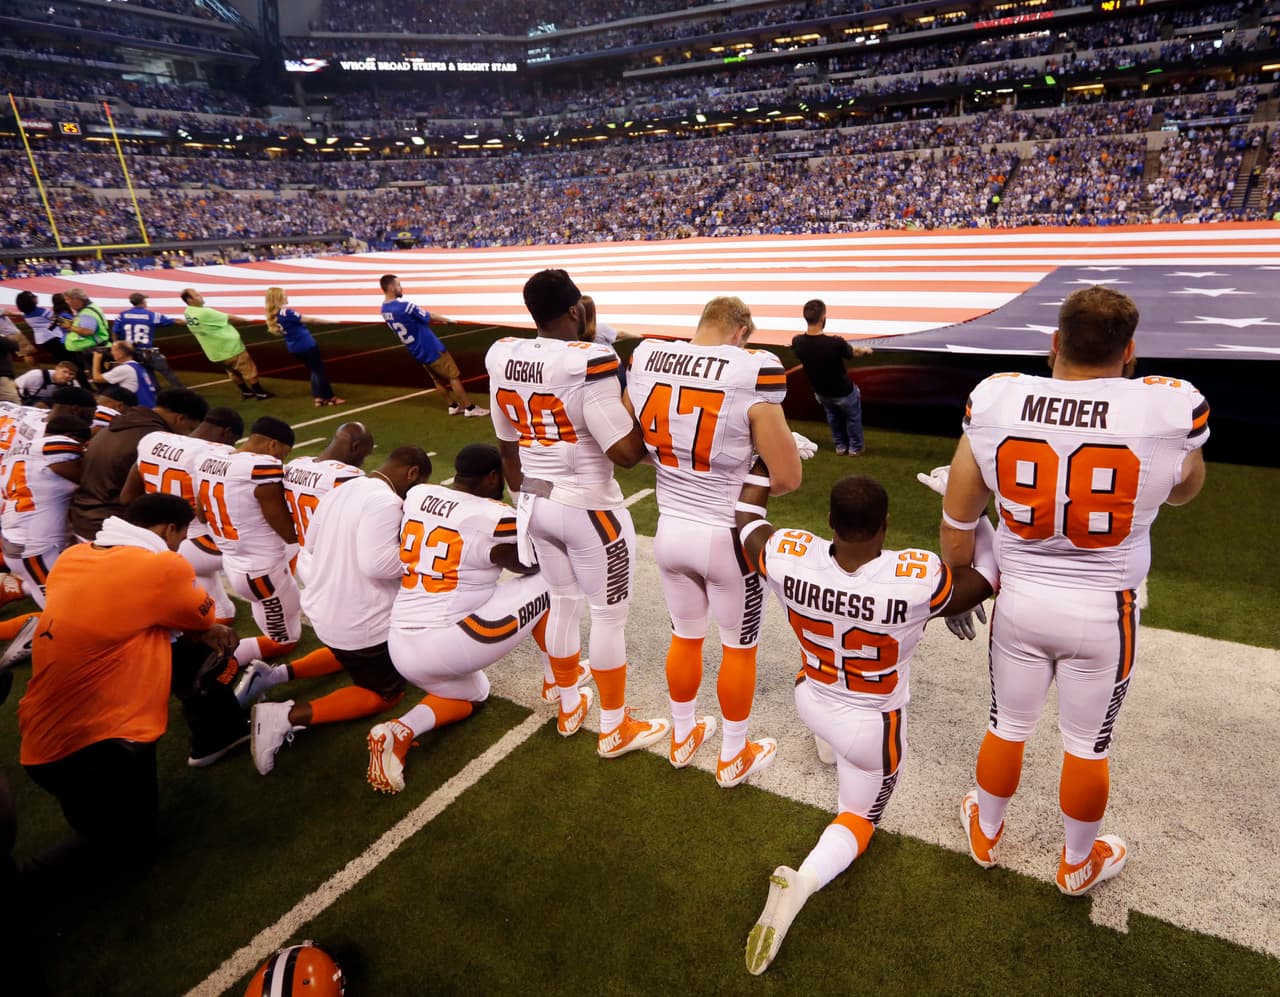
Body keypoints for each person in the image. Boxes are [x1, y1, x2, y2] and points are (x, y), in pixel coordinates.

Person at [939, 286, 1208, 896]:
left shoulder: (999, 397)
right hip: (1105, 612)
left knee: (1007, 725)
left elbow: (959, 518)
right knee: (1088, 745)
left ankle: (987, 830)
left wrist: (960, 582)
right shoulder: (1169, 407)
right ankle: (1078, 863)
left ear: (1055, 342)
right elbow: (1183, 490)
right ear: (1129, 352)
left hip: (1020, 602)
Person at [735, 474, 994, 974]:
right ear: (886, 524)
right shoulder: (916, 577)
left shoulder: (789, 554)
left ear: (829, 520)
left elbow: (746, 521)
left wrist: (763, 466)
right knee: (858, 817)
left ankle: (827, 745)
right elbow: (988, 574)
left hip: (811, 697)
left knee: (818, 674)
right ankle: (803, 883)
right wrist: (973, 514)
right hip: (870, 726)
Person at [16, 494, 241, 892]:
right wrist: (201, 629)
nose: (179, 546)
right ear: (169, 530)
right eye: (180, 537)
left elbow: (129, 610)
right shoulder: (161, 565)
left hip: (41, 735)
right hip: (92, 745)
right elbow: (201, 615)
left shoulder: (73, 556)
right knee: (126, 846)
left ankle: (214, 737)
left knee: (180, 644)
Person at [486, 268, 668, 758]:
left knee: (563, 602)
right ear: (573, 309)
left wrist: (526, 500)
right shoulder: (589, 360)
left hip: (535, 501)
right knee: (608, 617)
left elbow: (506, 446)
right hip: (588, 507)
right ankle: (614, 725)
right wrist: (644, 404)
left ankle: (568, 703)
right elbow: (625, 453)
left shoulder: (503, 354)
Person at [626, 296, 802, 787]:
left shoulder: (648, 357)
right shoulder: (752, 370)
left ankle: (682, 736)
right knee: (738, 649)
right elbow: (787, 478)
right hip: (726, 536)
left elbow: (633, 439)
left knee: (685, 636)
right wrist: (765, 458)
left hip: (669, 529)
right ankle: (732, 754)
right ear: (740, 331)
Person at [367, 444, 556, 794]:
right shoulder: (492, 514)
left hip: (401, 643)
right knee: (554, 579)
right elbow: (534, 560)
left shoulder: (419, 495)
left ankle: (399, 731)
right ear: (493, 477)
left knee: (475, 692)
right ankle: (557, 679)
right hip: (448, 641)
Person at [247, 446, 433, 776]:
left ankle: (274, 676)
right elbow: (377, 565)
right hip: (360, 621)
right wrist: (419, 555)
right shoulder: (386, 501)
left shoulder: (341, 489)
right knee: (384, 693)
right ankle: (285, 716)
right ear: (412, 473)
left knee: (346, 652)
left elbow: (309, 545)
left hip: (325, 608)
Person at [119, 406, 245, 627]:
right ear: (227, 433)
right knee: (276, 544)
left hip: (162, 538)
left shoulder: (153, 440)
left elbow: (127, 497)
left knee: (219, 607)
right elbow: (212, 512)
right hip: (199, 542)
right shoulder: (217, 453)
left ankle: (217, 614)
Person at [189, 416, 302, 662]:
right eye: (283, 454)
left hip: (234, 561)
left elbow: (201, 514)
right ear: (273, 445)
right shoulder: (261, 467)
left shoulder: (208, 458)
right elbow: (287, 532)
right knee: (284, 641)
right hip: (263, 571)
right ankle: (208, 663)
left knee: (271, 609)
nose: (281, 460)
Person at [69, 387, 209, 542]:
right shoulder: (152, 439)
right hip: (111, 526)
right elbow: (128, 497)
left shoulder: (121, 424)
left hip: (84, 518)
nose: (187, 435)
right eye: (190, 429)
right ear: (180, 418)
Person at [0, 413, 88, 607]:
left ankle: (15, 587)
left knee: (77, 587)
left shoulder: (14, 452)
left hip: (21, 538)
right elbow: (89, 477)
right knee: (60, 609)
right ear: (71, 436)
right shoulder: (56, 447)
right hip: (36, 548)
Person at [379, 274, 486, 417]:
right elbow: (429, 316)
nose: (401, 287)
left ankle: (452, 405)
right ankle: (470, 408)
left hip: (416, 350)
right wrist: (449, 320)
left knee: (437, 379)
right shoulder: (404, 306)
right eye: (398, 285)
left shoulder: (384, 310)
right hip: (431, 347)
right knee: (453, 376)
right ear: (392, 287)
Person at [790, 299, 873, 456]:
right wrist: (866, 351)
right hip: (843, 390)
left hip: (822, 392)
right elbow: (852, 353)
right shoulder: (835, 343)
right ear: (823, 318)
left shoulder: (798, 342)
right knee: (852, 418)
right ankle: (855, 447)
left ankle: (840, 446)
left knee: (833, 417)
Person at [282, 422, 374, 549]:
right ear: (355, 447)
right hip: (324, 553)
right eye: (364, 455)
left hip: (297, 551)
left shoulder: (295, 465)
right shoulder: (345, 476)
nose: (362, 462)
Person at [180, 288, 273, 400]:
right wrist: (248, 320)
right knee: (248, 370)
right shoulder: (205, 312)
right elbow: (229, 317)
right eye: (197, 295)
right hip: (230, 349)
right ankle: (260, 393)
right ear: (189, 300)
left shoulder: (188, 312)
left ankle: (246, 392)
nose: (201, 297)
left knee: (232, 372)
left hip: (215, 353)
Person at [264, 287, 344, 407]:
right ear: (279, 298)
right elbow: (310, 319)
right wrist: (332, 321)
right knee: (319, 371)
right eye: (284, 295)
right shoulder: (287, 313)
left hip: (294, 348)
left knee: (314, 370)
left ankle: (318, 397)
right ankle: (330, 398)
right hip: (306, 345)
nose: (286, 296)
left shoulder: (274, 315)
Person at [111, 291, 185, 388]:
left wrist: (116, 347)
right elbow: (173, 321)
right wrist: (189, 322)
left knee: (148, 377)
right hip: (148, 352)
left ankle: (156, 392)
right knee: (168, 374)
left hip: (132, 354)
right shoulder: (152, 315)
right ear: (143, 301)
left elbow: (115, 332)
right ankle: (183, 392)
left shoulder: (122, 316)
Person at [62, 288, 111, 388]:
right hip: (97, 347)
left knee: (97, 377)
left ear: (77, 299)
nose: (66, 302)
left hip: (93, 350)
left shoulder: (87, 313)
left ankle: (103, 394)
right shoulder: (91, 307)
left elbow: (88, 331)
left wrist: (69, 327)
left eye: (68, 299)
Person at [7, 291, 69, 366]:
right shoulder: (41, 311)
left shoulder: (26, 315)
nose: (36, 296)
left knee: (60, 358)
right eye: (33, 296)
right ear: (30, 301)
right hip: (53, 337)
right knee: (68, 357)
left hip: (42, 340)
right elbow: (59, 320)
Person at [91, 341, 159, 408]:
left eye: (113, 350)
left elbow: (97, 378)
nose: (111, 353)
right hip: (150, 406)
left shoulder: (124, 369)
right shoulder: (137, 366)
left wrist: (96, 360)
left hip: (139, 409)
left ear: (121, 353)